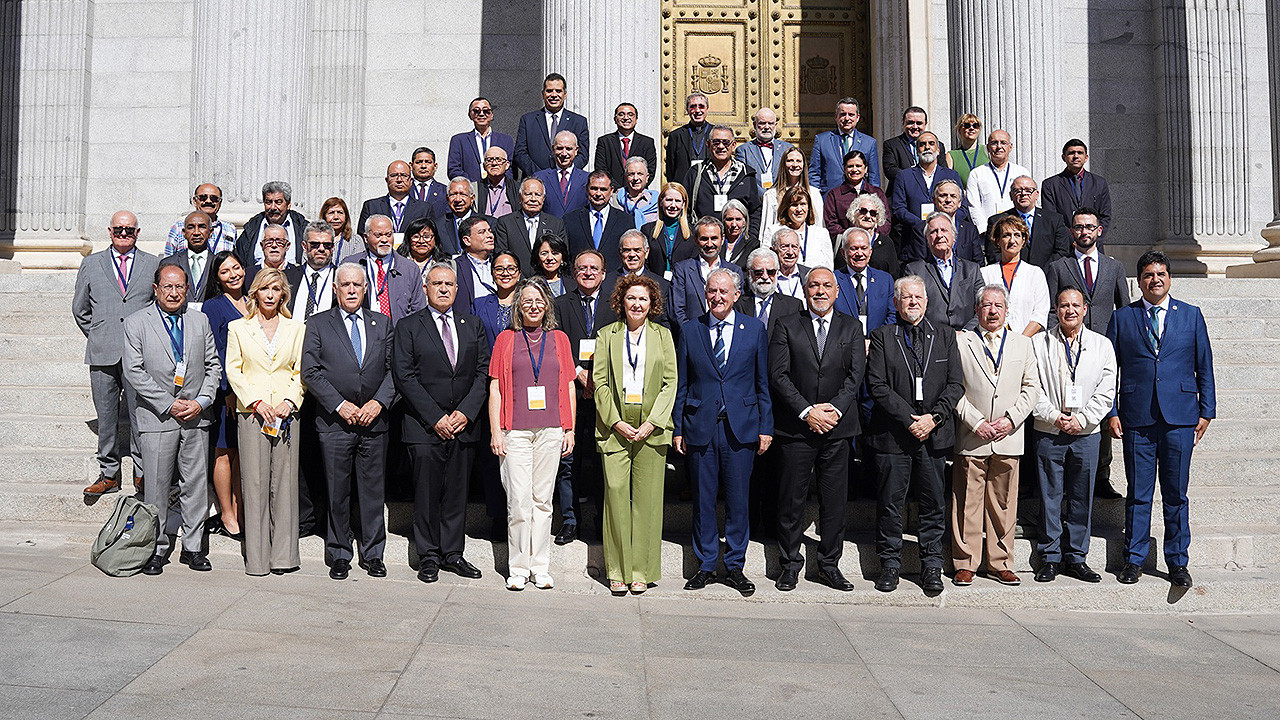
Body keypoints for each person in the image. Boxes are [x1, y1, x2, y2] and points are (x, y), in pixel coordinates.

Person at [1107, 250, 1215, 588]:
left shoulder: (1191, 316)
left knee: (1176, 495)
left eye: (1161, 274)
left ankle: (1178, 562)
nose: (1155, 280)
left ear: (1170, 278)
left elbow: (1204, 365)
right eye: (1148, 275)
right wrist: (1112, 411)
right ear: (1139, 282)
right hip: (1137, 417)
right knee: (1139, 494)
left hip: (1180, 418)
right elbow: (1110, 371)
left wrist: (1207, 410)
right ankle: (1134, 559)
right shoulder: (1123, 317)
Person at [674, 269, 773, 597]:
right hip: (700, 426)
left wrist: (766, 427)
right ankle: (705, 565)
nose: (717, 297)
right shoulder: (691, 330)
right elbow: (682, 383)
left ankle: (734, 566)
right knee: (703, 500)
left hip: (740, 428)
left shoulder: (754, 329)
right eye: (712, 291)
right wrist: (678, 427)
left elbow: (762, 382)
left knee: (738, 500)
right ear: (705, 293)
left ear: (736, 295)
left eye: (723, 291)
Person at [865, 275, 964, 594]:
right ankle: (890, 564)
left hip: (933, 435)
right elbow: (877, 385)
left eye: (918, 297)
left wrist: (933, 419)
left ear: (927, 301)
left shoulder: (945, 335)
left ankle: (931, 565)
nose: (912, 302)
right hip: (894, 435)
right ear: (895, 303)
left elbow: (955, 384)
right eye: (906, 297)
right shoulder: (882, 336)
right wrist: (910, 419)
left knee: (933, 503)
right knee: (890, 504)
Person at [393, 263, 490, 583]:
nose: (444, 289)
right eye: (437, 284)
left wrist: (465, 412)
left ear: (457, 289)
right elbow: (404, 376)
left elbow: (483, 372)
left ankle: (453, 553)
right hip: (424, 427)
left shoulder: (472, 324)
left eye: (449, 284)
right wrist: (435, 417)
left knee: (457, 493)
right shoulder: (408, 326)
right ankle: (428, 556)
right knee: (426, 493)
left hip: (463, 425)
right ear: (425, 289)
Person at [770, 267, 866, 592]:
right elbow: (779, 375)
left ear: (837, 291)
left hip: (837, 429)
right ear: (805, 290)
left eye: (826, 285)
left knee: (834, 503)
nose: (820, 291)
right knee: (791, 501)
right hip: (797, 429)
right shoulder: (786, 325)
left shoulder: (851, 327)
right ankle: (789, 565)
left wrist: (833, 410)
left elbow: (855, 375)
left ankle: (829, 565)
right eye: (814, 285)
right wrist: (807, 411)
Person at [124, 263, 220, 575]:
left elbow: (213, 366)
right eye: (168, 286)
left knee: (195, 485)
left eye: (180, 287)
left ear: (187, 289)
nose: (174, 293)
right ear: (156, 289)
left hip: (195, 417)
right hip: (157, 418)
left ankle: (193, 548)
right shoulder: (137, 322)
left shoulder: (199, 320)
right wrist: (169, 404)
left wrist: (201, 402)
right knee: (156, 487)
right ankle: (156, 548)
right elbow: (134, 371)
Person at [301, 263, 395, 580]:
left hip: (373, 423)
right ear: (335, 289)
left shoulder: (382, 323)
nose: (352, 290)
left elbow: (394, 370)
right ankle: (339, 552)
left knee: (372, 493)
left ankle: (373, 554)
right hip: (335, 423)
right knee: (337, 492)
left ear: (366, 289)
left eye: (357, 284)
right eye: (345, 285)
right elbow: (310, 371)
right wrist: (339, 405)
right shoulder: (318, 324)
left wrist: (378, 403)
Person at [488, 278, 577, 591]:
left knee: (543, 501)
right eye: (527, 301)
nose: (533, 306)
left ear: (547, 305)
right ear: (518, 306)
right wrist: (496, 431)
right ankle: (518, 568)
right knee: (519, 502)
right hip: (515, 432)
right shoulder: (505, 340)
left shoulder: (560, 340)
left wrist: (569, 428)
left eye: (539, 301)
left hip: (551, 430)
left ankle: (540, 566)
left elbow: (569, 385)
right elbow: (496, 388)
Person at [951, 284, 1039, 587]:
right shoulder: (961, 342)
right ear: (977, 310)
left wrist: (1011, 419)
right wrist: (975, 422)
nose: (992, 311)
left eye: (998, 306)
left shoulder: (1022, 344)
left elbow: (1032, 388)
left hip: (1007, 436)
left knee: (1004, 504)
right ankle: (965, 562)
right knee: (967, 502)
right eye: (986, 305)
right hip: (972, 434)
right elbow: (953, 388)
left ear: (1007, 310)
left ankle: (1000, 562)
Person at [593, 274, 676, 594]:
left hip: (651, 427)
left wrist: (653, 422)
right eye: (631, 298)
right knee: (615, 498)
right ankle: (617, 569)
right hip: (615, 426)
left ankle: (641, 570)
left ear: (652, 303)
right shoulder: (606, 335)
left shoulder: (663, 335)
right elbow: (600, 383)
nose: (637, 304)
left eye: (643, 298)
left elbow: (670, 382)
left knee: (647, 501)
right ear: (621, 302)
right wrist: (615, 421)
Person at [1031, 287, 1117, 583]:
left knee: (1082, 497)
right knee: (1050, 497)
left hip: (1087, 433)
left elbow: (1107, 390)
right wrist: (1053, 416)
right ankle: (1050, 557)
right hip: (1048, 430)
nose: (1070, 310)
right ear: (1056, 310)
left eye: (1075, 305)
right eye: (1064, 305)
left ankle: (1077, 557)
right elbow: (1031, 387)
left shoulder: (1102, 345)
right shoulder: (1038, 343)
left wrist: (1082, 419)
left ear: (1085, 310)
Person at [225, 267, 306, 576]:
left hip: (286, 413)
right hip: (252, 413)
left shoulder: (296, 328)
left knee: (285, 484)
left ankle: (284, 557)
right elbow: (233, 370)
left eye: (276, 289)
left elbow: (300, 370)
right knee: (255, 484)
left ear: (283, 294)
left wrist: (290, 401)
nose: (270, 294)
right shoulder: (238, 328)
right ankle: (258, 559)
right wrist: (255, 402)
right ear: (255, 293)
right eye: (264, 289)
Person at [1045, 208, 1129, 499]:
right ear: (1072, 231)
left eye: (1089, 227)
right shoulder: (1059, 267)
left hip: (1103, 349)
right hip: (1066, 347)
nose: (1084, 232)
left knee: (1101, 408)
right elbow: (1051, 310)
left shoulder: (1114, 268)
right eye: (1079, 227)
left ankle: (1102, 474)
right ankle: (1067, 474)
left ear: (1099, 230)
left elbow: (1124, 309)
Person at [75, 211, 159, 497]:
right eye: (119, 229)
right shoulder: (91, 263)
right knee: (106, 416)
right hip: (102, 352)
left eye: (129, 230)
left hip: (139, 354)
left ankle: (142, 473)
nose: (124, 234)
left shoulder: (152, 264)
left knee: (140, 415)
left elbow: (156, 307)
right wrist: (99, 333)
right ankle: (109, 474)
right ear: (110, 232)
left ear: (138, 233)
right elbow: (80, 309)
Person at [551, 250, 616, 544]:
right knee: (569, 461)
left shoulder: (615, 304)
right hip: (570, 391)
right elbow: (555, 343)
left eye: (594, 268)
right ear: (574, 272)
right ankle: (570, 521)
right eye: (582, 268)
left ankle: (603, 521)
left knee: (603, 461)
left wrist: (597, 377)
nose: (588, 273)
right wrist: (578, 372)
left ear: (603, 273)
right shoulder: (560, 305)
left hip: (606, 393)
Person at [200, 251, 249, 539]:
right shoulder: (214, 306)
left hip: (250, 392)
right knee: (224, 451)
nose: (233, 274)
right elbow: (214, 351)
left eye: (236, 267)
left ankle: (239, 508)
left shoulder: (253, 300)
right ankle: (227, 514)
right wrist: (227, 390)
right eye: (225, 271)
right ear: (217, 278)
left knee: (241, 452)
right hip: (226, 392)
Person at [905, 212, 984, 332]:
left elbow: (983, 306)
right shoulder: (914, 271)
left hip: (967, 336)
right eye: (933, 231)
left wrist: (965, 332)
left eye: (944, 230)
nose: (939, 235)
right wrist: (937, 335)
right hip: (930, 336)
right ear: (927, 240)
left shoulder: (972, 269)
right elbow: (912, 309)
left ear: (954, 237)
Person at [682, 126, 763, 242]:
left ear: (733, 145)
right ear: (708, 144)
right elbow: (686, 208)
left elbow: (755, 210)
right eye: (716, 142)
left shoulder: (746, 173)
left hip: (738, 243)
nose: (721, 146)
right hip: (705, 242)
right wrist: (693, 236)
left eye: (725, 142)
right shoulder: (695, 173)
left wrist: (750, 239)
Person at [347, 215, 426, 326]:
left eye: (388, 235)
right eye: (378, 235)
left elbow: (418, 309)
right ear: (366, 237)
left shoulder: (409, 268)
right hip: (363, 330)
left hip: (399, 332)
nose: (384, 240)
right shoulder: (351, 264)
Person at [890, 131, 962, 250]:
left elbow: (962, 207)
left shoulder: (951, 175)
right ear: (917, 150)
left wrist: (943, 223)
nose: (927, 147)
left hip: (945, 239)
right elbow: (898, 209)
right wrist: (923, 224)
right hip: (914, 239)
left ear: (938, 150)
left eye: (931, 143)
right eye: (922, 144)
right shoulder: (904, 176)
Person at [980, 215, 1050, 336]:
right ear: (998, 240)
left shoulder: (1035, 273)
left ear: (1023, 241)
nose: (1012, 241)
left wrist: (1020, 341)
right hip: (992, 340)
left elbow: (1040, 314)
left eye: (1017, 235)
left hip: (1028, 342)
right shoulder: (985, 273)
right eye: (1006, 235)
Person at [671, 216, 744, 326]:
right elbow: (677, 311)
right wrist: (692, 332)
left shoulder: (735, 271)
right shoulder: (682, 270)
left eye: (714, 238)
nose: (709, 244)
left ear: (722, 239)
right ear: (695, 240)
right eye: (704, 239)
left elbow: (738, 308)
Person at [984, 176, 1072, 267]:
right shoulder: (997, 221)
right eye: (1018, 191)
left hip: (1046, 273)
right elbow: (993, 254)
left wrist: (1039, 272)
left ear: (1037, 194)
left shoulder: (1054, 219)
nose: (1023, 194)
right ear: (1011, 195)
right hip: (1009, 272)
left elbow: (1061, 251)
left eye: (1028, 190)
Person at [515, 72, 589, 176]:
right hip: (535, 180)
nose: (554, 95)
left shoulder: (579, 122)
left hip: (566, 180)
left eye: (558, 91)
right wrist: (540, 176)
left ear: (565, 94)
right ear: (543, 94)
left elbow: (583, 155)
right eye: (549, 91)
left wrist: (562, 174)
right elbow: (520, 153)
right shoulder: (528, 120)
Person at [495, 177, 566, 276]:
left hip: (547, 280)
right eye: (528, 194)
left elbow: (563, 256)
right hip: (516, 280)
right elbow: (501, 255)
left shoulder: (556, 224)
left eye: (538, 195)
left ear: (543, 198)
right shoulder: (505, 223)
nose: (533, 199)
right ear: (520, 197)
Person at [564, 170, 634, 270]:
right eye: (594, 188)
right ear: (587, 189)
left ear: (611, 191)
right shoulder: (570, 220)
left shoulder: (626, 221)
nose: (598, 193)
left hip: (614, 277)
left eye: (603, 189)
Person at [1041, 139, 1112, 235]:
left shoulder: (1099, 183)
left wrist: (1094, 238)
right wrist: (1067, 239)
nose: (1076, 156)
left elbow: (1105, 216)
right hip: (1064, 241)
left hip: (1092, 241)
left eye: (1080, 153)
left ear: (1086, 157)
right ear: (1064, 157)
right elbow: (1051, 218)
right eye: (1071, 153)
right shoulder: (1050, 185)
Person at [903, 180, 984, 265]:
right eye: (943, 195)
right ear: (934, 200)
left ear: (959, 203)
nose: (948, 200)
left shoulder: (970, 230)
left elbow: (978, 263)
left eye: (953, 196)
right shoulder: (921, 229)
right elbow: (918, 265)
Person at [809, 97, 880, 192]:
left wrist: (873, 197)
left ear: (857, 117)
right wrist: (815, 197)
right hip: (829, 197)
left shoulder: (869, 142)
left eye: (851, 114)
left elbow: (873, 177)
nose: (847, 118)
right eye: (843, 114)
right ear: (836, 117)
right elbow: (814, 174)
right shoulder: (822, 140)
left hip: (859, 197)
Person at [965, 130, 1030, 234]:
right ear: (988, 147)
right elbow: (974, 206)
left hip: (1016, 233)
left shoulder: (1021, 172)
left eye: (1003, 143)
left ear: (1010, 147)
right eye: (994, 143)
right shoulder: (976, 174)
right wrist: (985, 230)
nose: (999, 146)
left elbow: (1028, 203)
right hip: (987, 233)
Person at [834, 228, 896, 335]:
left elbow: (892, 315)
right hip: (844, 341)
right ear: (843, 253)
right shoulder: (834, 279)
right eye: (854, 249)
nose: (859, 253)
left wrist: (877, 339)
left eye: (864, 248)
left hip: (878, 342)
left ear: (870, 252)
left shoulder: (885, 280)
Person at [822, 150, 891, 241]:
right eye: (850, 166)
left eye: (858, 166)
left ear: (865, 169)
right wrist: (852, 237)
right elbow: (831, 224)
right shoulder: (834, 194)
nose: (854, 170)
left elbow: (886, 222)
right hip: (846, 243)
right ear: (844, 169)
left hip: (874, 243)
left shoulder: (877, 193)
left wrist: (873, 237)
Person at [236, 181, 307, 267]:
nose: (273, 207)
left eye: (278, 202)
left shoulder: (302, 228)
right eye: (268, 202)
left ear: (288, 204)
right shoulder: (252, 228)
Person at [760, 145, 824, 242]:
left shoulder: (814, 194)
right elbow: (765, 230)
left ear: (804, 165)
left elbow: (819, 226)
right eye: (790, 161)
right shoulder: (771, 195)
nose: (795, 164)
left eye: (798, 161)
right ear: (783, 164)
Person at [762, 185, 833, 271]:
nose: (799, 209)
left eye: (803, 204)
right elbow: (765, 261)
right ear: (786, 208)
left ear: (808, 207)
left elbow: (829, 266)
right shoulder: (773, 231)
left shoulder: (821, 233)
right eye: (794, 205)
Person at [447, 96, 516, 183]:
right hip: (471, 188)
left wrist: (499, 184)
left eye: (486, 111)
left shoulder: (505, 140)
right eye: (476, 111)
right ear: (470, 115)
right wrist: (473, 185)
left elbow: (511, 169)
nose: (481, 114)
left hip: (499, 188)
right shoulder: (458, 140)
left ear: (492, 115)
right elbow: (453, 169)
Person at [356, 160, 433, 237]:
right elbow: (362, 237)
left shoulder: (424, 208)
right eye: (394, 175)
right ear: (387, 180)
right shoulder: (371, 206)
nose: (399, 180)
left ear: (411, 181)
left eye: (404, 175)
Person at [881, 106, 946, 197]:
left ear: (925, 124)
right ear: (903, 123)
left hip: (932, 195)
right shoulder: (892, 145)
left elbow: (943, 169)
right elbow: (890, 170)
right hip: (902, 195)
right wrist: (917, 178)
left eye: (919, 123)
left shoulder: (938, 145)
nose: (915, 127)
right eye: (910, 123)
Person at [735, 247, 802, 332]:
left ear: (777, 273)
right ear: (749, 273)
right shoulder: (737, 305)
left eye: (770, 272)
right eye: (758, 272)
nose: (765, 277)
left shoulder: (793, 307)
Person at [284, 222, 337, 323]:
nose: (321, 249)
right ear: (304, 246)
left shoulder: (340, 278)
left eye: (327, 245)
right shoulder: (287, 277)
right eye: (315, 244)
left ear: (333, 247)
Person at [595, 102, 657, 189]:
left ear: (636, 119)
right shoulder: (605, 141)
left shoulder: (647, 142)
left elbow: (650, 170)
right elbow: (601, 169)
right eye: (621, 114)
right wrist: (616, 188)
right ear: (615, 119)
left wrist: (635, 187)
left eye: (630, 114)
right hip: (612, 191)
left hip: (638, 191)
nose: (626, 118)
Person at [164, 183, 236, 257]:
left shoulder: (230, 229)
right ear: (195, 201)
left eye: (214, 198)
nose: (208, 201)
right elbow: (168, 259)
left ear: (220, 202)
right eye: (203, 197)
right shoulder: (179, 227)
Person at [735, 107, 796, 193]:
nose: (767, 127)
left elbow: (793, 176)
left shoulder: (787, 148)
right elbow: (743, 179)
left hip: (782, 197)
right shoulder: (743, 150)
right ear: (754, 125)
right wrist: (763, 194)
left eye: (770, 123)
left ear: (775, 125)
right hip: (755, 198)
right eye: (762, 123)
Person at [471, 251, 525, 348]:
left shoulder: (527, 304)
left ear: (519, 274)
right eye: (499, 269)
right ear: (492, 274)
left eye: (511, 268)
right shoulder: (479, 305)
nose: (505, 273)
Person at [160, 211, 216, 303]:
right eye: (191, 227)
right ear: (184, 233)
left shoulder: (217, 263)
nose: (196, 232)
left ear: (210, 233)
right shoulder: (170, 262)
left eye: (202, 227)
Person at [642, 182, 695, 278]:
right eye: (669, 200)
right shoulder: (648, 230)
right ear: (661, 201)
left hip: (683, 283)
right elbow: (644, 262)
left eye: (677, 201)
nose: (673, 205)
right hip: (655, 283)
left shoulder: (693, 233)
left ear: (683, 204)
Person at [533, 131, 591, 218]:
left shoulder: (586, 179)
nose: (564, 153)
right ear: (553, 149)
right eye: (560, 148)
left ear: (576, 150)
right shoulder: (540, 178)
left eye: (568, 149)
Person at [845, 193, 900, 277]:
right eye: (863, 211)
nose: (868, 216)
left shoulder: (887, 243)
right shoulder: (845, 240)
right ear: (854, 213)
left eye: (873, 213)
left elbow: (894, 274)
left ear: (878, 218)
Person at [453, 215, 498, 313]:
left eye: (490, 231)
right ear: (467, 240)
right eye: (482, 232)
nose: (490, 235)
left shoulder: (499, 263)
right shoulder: (455, 267)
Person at [665, 92, 712, 185]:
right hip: (684, 184)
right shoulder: (676, 135)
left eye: (701, 106)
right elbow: (670, 168)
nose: (697, 110)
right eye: (693, 107)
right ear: (687, 110)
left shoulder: (715, 133)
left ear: (707, 109)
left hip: (709, 184)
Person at [612, 156, 660, 228]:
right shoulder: (614, 200)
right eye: (631, 174)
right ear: (625, 177)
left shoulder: (657, 202)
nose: (635, 178)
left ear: (647, 177)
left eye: (640, 174)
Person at [944, 113, 988, 186]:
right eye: (967, 125)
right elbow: (948, 182)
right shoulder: (951, 155)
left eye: (975, 125)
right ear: (959, 130)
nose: (971, 128)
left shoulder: (987, 150)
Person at [477, 146, 519, 219]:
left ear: (507, 165)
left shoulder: (517, 189)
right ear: (484, 166)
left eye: (499, 160)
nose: (494, 163)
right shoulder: (476, 188)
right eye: (489, 160)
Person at [408, 146, 449, 219]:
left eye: (428, 162)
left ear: (435, 166)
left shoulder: (444, 191)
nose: (423, 166)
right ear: (411, 166)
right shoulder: (404, 190)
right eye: (419, 162)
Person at [771, 227, 808, 300]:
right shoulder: (767, 275)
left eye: (794, 247)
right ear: (773, 250)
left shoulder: (808, 274)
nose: (790, 252)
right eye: (784, 247)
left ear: (799, 250)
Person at [319, 196, 359, 262]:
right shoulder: (313, 239)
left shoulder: (356, 241)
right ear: (324, 217)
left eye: (340, 213)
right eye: (331, 213)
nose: (336, 217)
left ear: (346, 217)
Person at [721, 199, 756, 269]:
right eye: (730, 219)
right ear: (723, 221)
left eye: (738, 219)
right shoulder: (717, 243)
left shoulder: (753, 245)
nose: (734, 224)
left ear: (744, 222)